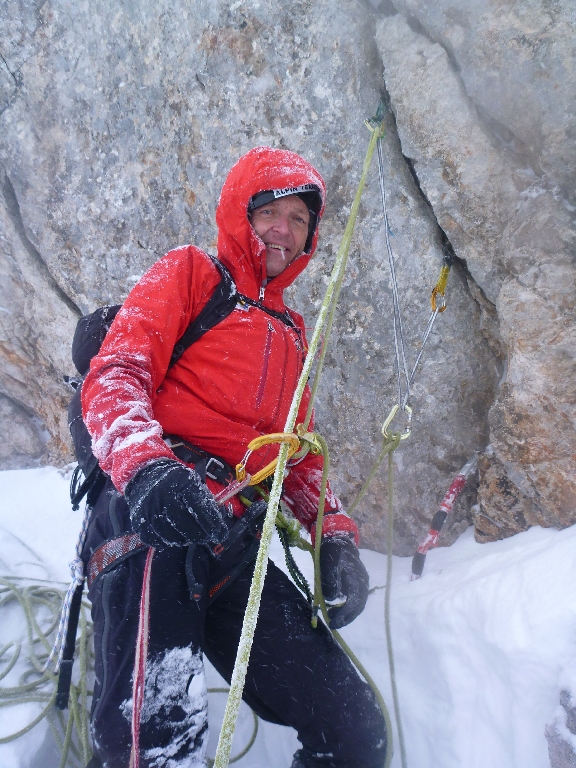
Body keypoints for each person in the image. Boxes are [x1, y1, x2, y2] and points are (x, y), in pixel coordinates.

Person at [81, 146, 387, 768]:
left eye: (300, 220)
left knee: (352, 728)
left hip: (229, 537)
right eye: (271, 211)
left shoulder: (291, 333)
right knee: (156, 746)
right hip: (154, 524)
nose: (284, 230)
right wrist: (147, 470)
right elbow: (115, 374)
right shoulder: (192, 275)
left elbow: (297, 457)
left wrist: (336, 537)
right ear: (239, 214)